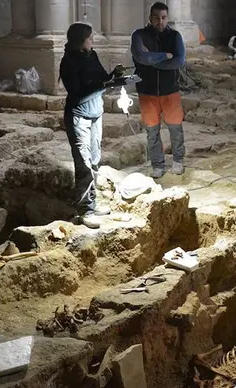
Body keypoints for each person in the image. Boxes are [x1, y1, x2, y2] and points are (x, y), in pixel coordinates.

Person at [59, 22, 122, 229]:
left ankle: (92, 204)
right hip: (79, 117)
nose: (93, 40)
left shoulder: (91, 55)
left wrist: (114, 76)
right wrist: (103, 86)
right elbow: (77, 93)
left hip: (96, 114)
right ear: (80, 40)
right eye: (90, 37)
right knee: (83, 163)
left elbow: (102, 78)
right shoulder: (68, 62)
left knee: (94, 160)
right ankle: (84, 209)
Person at [130, 1, 187, 179]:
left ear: (167, 18)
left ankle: (178, 160)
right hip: (147, 92)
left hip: (170, 91)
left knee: (175, 129)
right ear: (150, 18)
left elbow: (178, 61)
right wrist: (164, 56)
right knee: (152, 131)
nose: (160, 22)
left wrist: (151, 60)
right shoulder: (139, 35)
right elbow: (140, 56)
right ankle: (157, 165)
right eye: (156, 18)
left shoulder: (175, 36)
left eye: (163, 18)